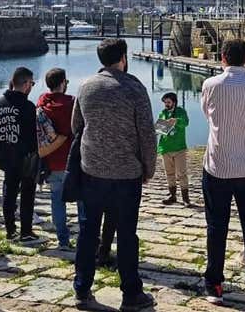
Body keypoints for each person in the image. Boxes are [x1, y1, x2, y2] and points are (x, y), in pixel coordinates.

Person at [72, 38, 157, 312]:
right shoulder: (134, 87)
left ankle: (82, 289)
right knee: (127, 235)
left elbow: (77, 126)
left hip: (91, 171)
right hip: (126, 174)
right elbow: (147, 133)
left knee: (88, 233)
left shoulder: (85, 86)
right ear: (123, 57)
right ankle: (131, 293)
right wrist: (148, 167)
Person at [201, 38, 245, 305]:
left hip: (218, 165)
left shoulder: (211, 85)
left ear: (223, 58)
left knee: (216, 227)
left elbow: (207, 114)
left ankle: (215, 286)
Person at [37, 67, 81, 250]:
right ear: (62, 83)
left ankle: (63, 240)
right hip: (74, 161)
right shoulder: (72, 103)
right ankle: (86, 238)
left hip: (52, 161)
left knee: (57, 201)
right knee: (82, 201)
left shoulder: (41, 103)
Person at [0, 67, 39, 242]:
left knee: (9, 193)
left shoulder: (1, 101)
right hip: (25, 156)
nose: (32, 86)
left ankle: (10, 230)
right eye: (32, 83)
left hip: (6, 153)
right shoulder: (27, 106)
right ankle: (26, 231)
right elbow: (32, 135)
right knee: (27, 195)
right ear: (26, 83)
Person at [157, 92, 191, 206]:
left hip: (179, 148)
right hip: (165, 148)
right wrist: (158, 128)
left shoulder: (181, 112)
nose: (166, 105)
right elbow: (159, 130)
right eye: (165, 103)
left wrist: (176, 121)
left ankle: (186, 198)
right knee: (169, 173)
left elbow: (185, 123)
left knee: (182, 173)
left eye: (168, 102)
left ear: (174, 102)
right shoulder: (163, 113)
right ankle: (172, 196)